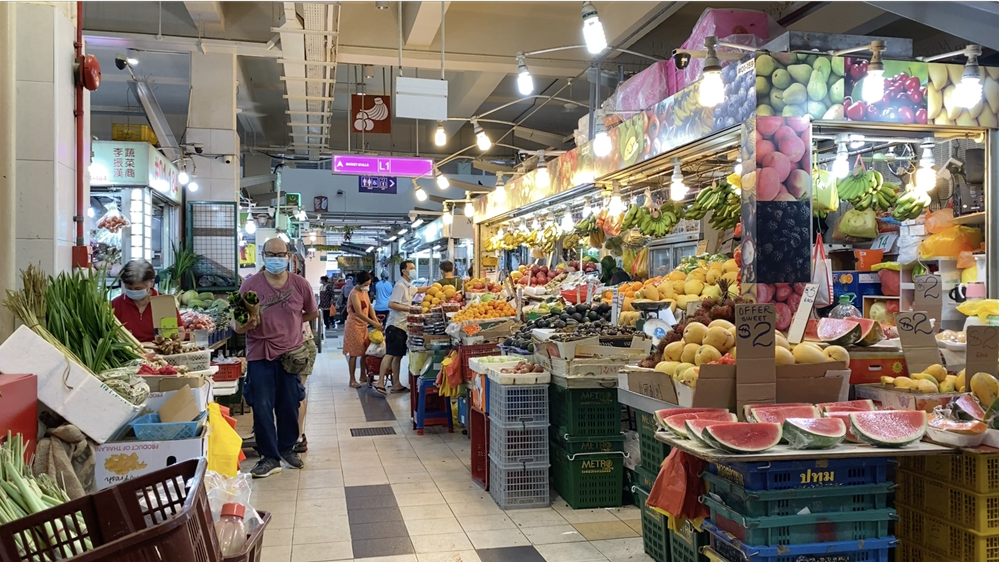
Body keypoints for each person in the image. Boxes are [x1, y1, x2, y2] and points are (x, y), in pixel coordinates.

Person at [234, 238, 319, 478]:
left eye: (280, 254)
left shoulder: (300, 284)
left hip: (291, 354)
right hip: (259, 354)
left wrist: (291, 324)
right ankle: (269, 457)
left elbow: (312, 312)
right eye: (270, 254)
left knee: (289, 404)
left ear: (288, 256)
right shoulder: (250, 285)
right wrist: (247, 324)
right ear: (263, 256)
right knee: (261, 407)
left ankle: (287, 448)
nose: (275, 259)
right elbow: (236, 323)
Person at [376, 260, 429, 395]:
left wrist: (435, 287)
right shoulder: (400, 286)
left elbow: (419, 290)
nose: (414, 270)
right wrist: (410, 308)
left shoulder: (408, 285)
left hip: (402, 327)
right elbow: (392, 304)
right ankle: (380, 382)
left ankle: (396, 384)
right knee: (390, 354)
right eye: (411, 268)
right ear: (404, 271)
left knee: (397, 356)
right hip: (396, 326)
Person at [111, 259, 182, 343]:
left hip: (159, 350)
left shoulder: (164, 303)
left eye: (138, 288)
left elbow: (180, 332)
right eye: (129, 288)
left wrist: (168, 343)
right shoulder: (116, 305)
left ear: (151, 282)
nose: (133, 291)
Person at [342, 271, 381, 388]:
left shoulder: (364, 292)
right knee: (354, 353)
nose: (367, 287)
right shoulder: (354, 294)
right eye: (366, 284)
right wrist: (373, 323)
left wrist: (376, 321)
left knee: (365, 351)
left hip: (363, 326)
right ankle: (352, 379)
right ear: (359, 283)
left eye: (369, 284)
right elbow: (359, 313)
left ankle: (363, 375)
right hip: (353, 326)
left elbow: (370, 308)